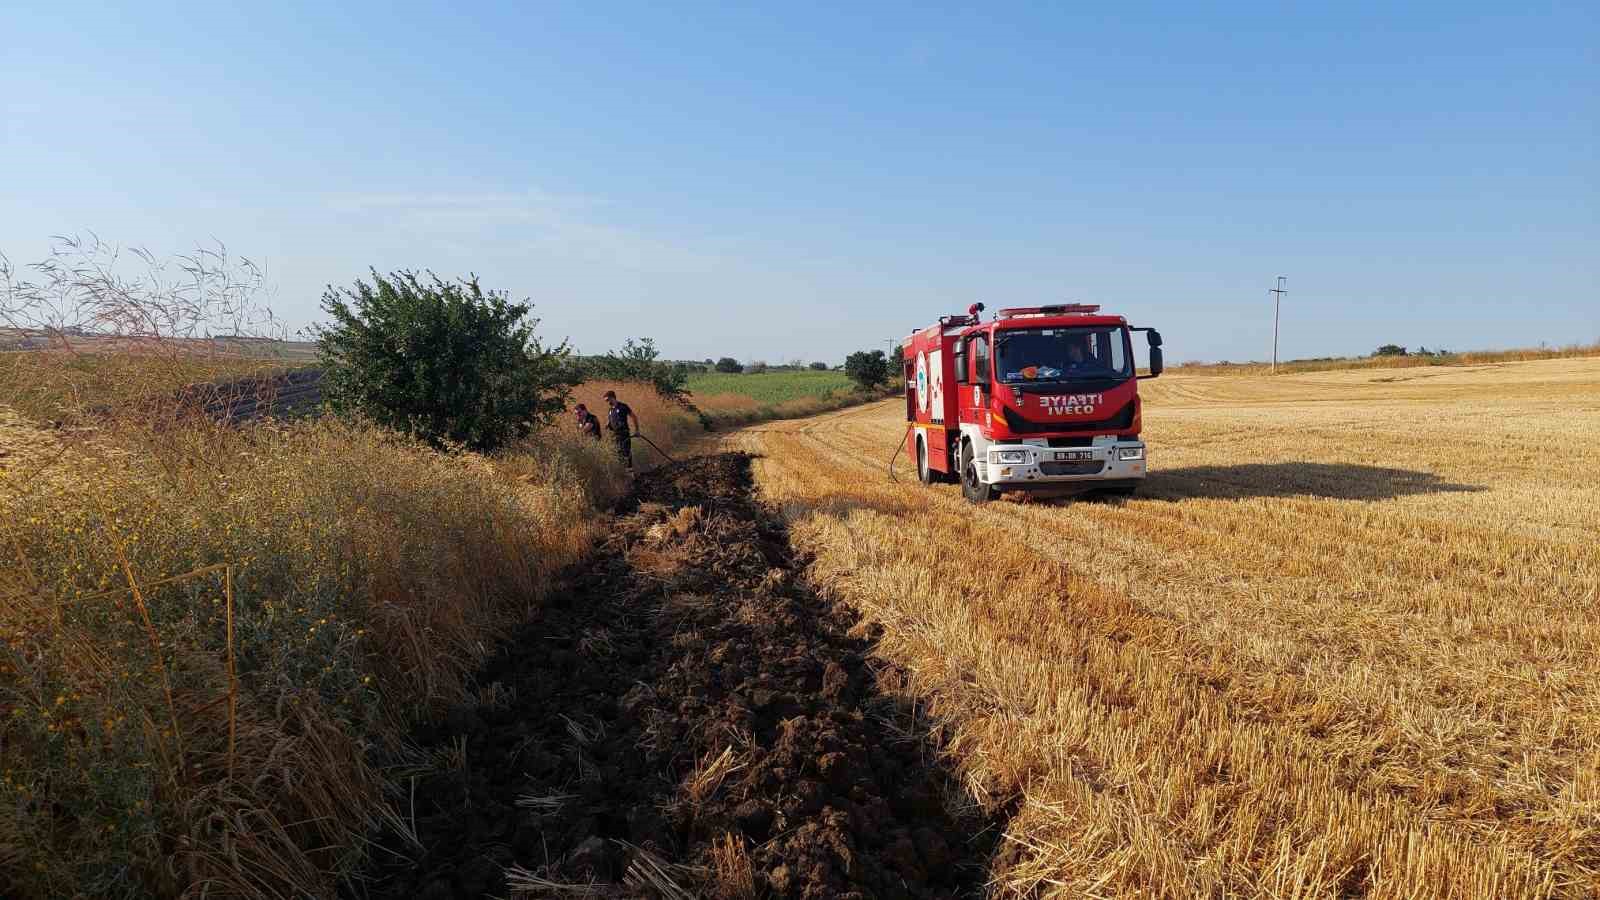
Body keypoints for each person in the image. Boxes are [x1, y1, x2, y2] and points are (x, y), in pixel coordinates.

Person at [603, 390, 640, 470]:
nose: (607, 402)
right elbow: (610, 421)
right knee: (618, 454)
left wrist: (637, 430)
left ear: (613, 398)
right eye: (606, 401)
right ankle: (624, 472)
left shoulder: (623, 406)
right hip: (615, 436)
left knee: (626, 452)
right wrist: (607, 425)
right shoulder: (610, 410)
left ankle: (631, 472)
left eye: (608, 400)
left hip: (624, 434)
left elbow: (634, 417)